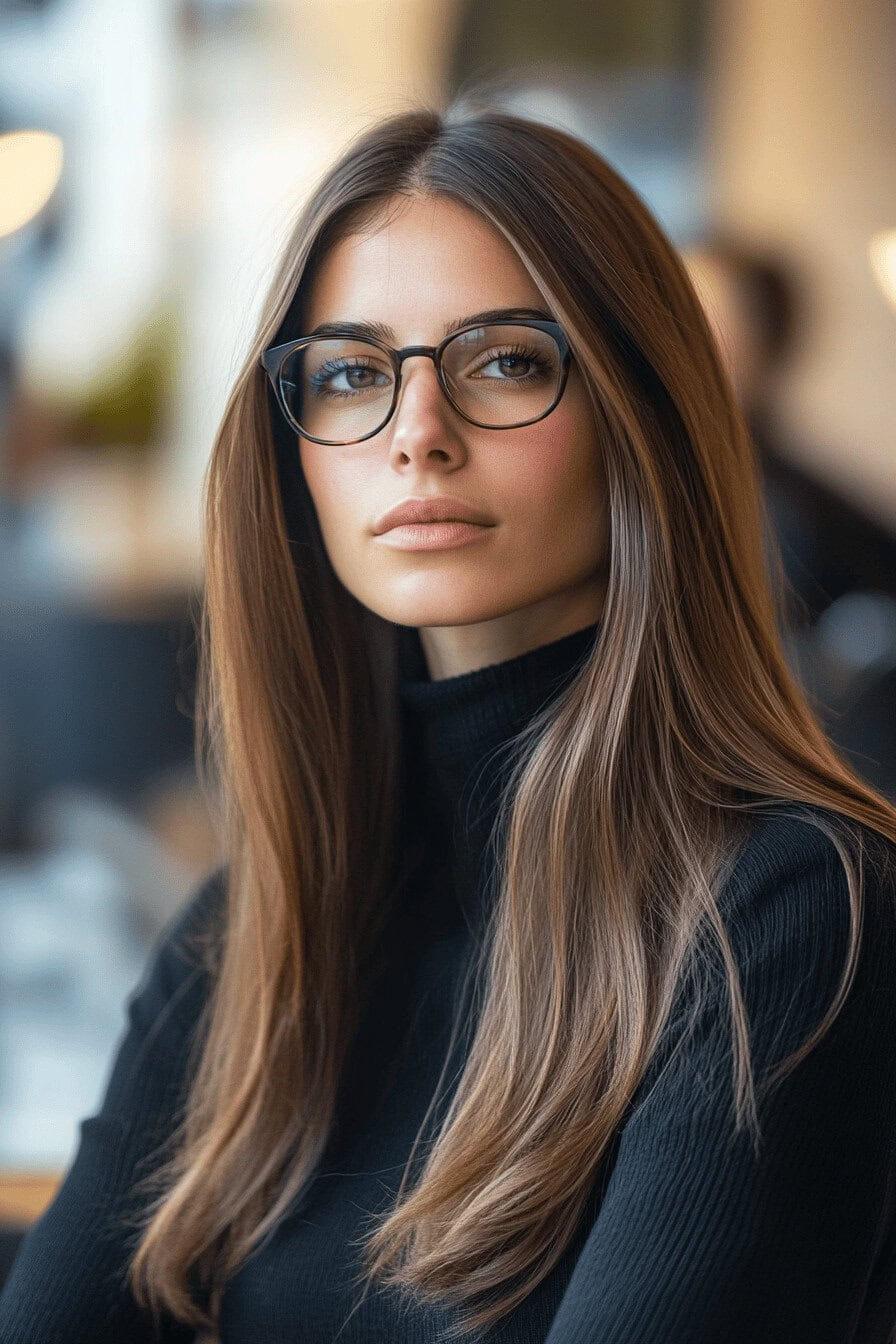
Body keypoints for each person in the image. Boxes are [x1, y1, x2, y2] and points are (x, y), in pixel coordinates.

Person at [1, 99, 895, 1344]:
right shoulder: (262, 928)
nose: (417, 434)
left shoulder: (794, 909)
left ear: (639, 418)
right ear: (293, 448)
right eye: (355, 372)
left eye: (506, 360)